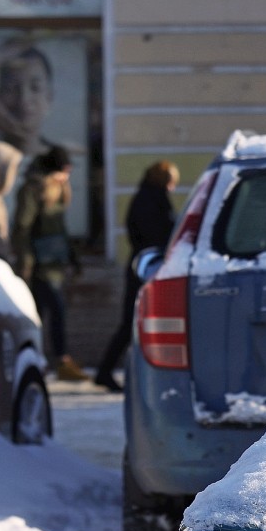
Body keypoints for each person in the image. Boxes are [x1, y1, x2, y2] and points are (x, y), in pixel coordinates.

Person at [94, 161, 179, 391]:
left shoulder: (146, 197)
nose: (173, 186)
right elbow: (156, 234)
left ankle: (108, 370)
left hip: (144, 267)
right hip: (146, 269)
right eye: (171, 181)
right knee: (133, 323)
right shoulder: (152, 201)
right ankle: (106, 370)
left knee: (133, 323)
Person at [13, 145, 86, 381]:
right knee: (49, 310)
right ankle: (53, 359)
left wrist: (72, 256)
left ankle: (45, 359)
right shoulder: (34, 189)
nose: (66, 176)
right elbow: (22, 229)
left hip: (54, 262)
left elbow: (60, 228)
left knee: (46, 311)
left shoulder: (59, 190)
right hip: (38, 264)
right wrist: (25, 262)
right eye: (64, 171)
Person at [0, 38, 55, 161]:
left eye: (35, 88)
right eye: (10, 89)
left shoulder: (61, 156)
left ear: (50, 96)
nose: (24, 99)